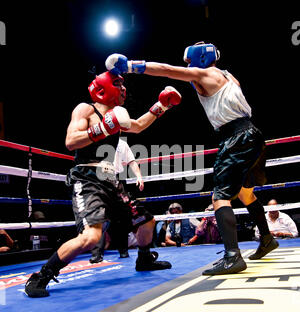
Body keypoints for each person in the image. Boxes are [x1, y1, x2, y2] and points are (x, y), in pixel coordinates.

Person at [105, 42, 279, 275]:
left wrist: (130, 67)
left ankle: (232, 257)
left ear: (201, 59)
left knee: (219, 196)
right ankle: (267, 239)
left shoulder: (203, 73)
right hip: (253, 135)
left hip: (236, 137)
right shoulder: (229, 76)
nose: (188, 65)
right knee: (245, 193)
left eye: (189, 61)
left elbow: (166, 69)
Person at [25, 70, 181, 297]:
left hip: (111, 181)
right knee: (90, 237)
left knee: (146, 221)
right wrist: (102, 128)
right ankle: (41, 276)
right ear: (103, 88)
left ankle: (144, 259)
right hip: (88, 180)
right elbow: (70, 142)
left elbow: (137, 125)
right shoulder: (85, 109)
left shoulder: (118, 116)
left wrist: (161, 106)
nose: (124, 89)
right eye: (118, 84)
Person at [89, 138, 145, 262]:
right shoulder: (97, 140)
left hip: (117, 180)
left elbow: (132, 161)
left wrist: (139, 177)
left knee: (123, 216)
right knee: (99, 214)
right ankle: (97, 253)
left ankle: (123, 250)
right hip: (99, 178)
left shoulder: (122, 143)